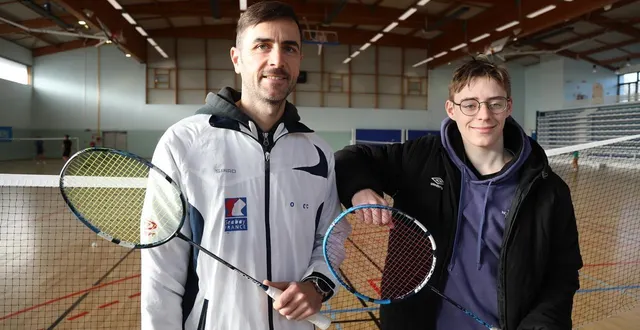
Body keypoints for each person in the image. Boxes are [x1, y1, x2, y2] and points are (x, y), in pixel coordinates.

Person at [334, 57, 583, 330]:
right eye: (470, 104)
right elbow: (351, 158)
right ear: (451, 109)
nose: (483, 114)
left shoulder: (548, 190)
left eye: (495, 103)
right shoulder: (420, 159)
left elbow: (562, 273)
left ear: (508, 107)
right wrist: (361, 189)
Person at [140, 2, 345, 329]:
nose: (277, 60)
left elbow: (331, 237)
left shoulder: (317, 152)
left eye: (289, 48)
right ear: (237, 58)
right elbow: (160, 270)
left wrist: (317, 284)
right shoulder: (184, 142)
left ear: (299, 60)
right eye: (262, 46)